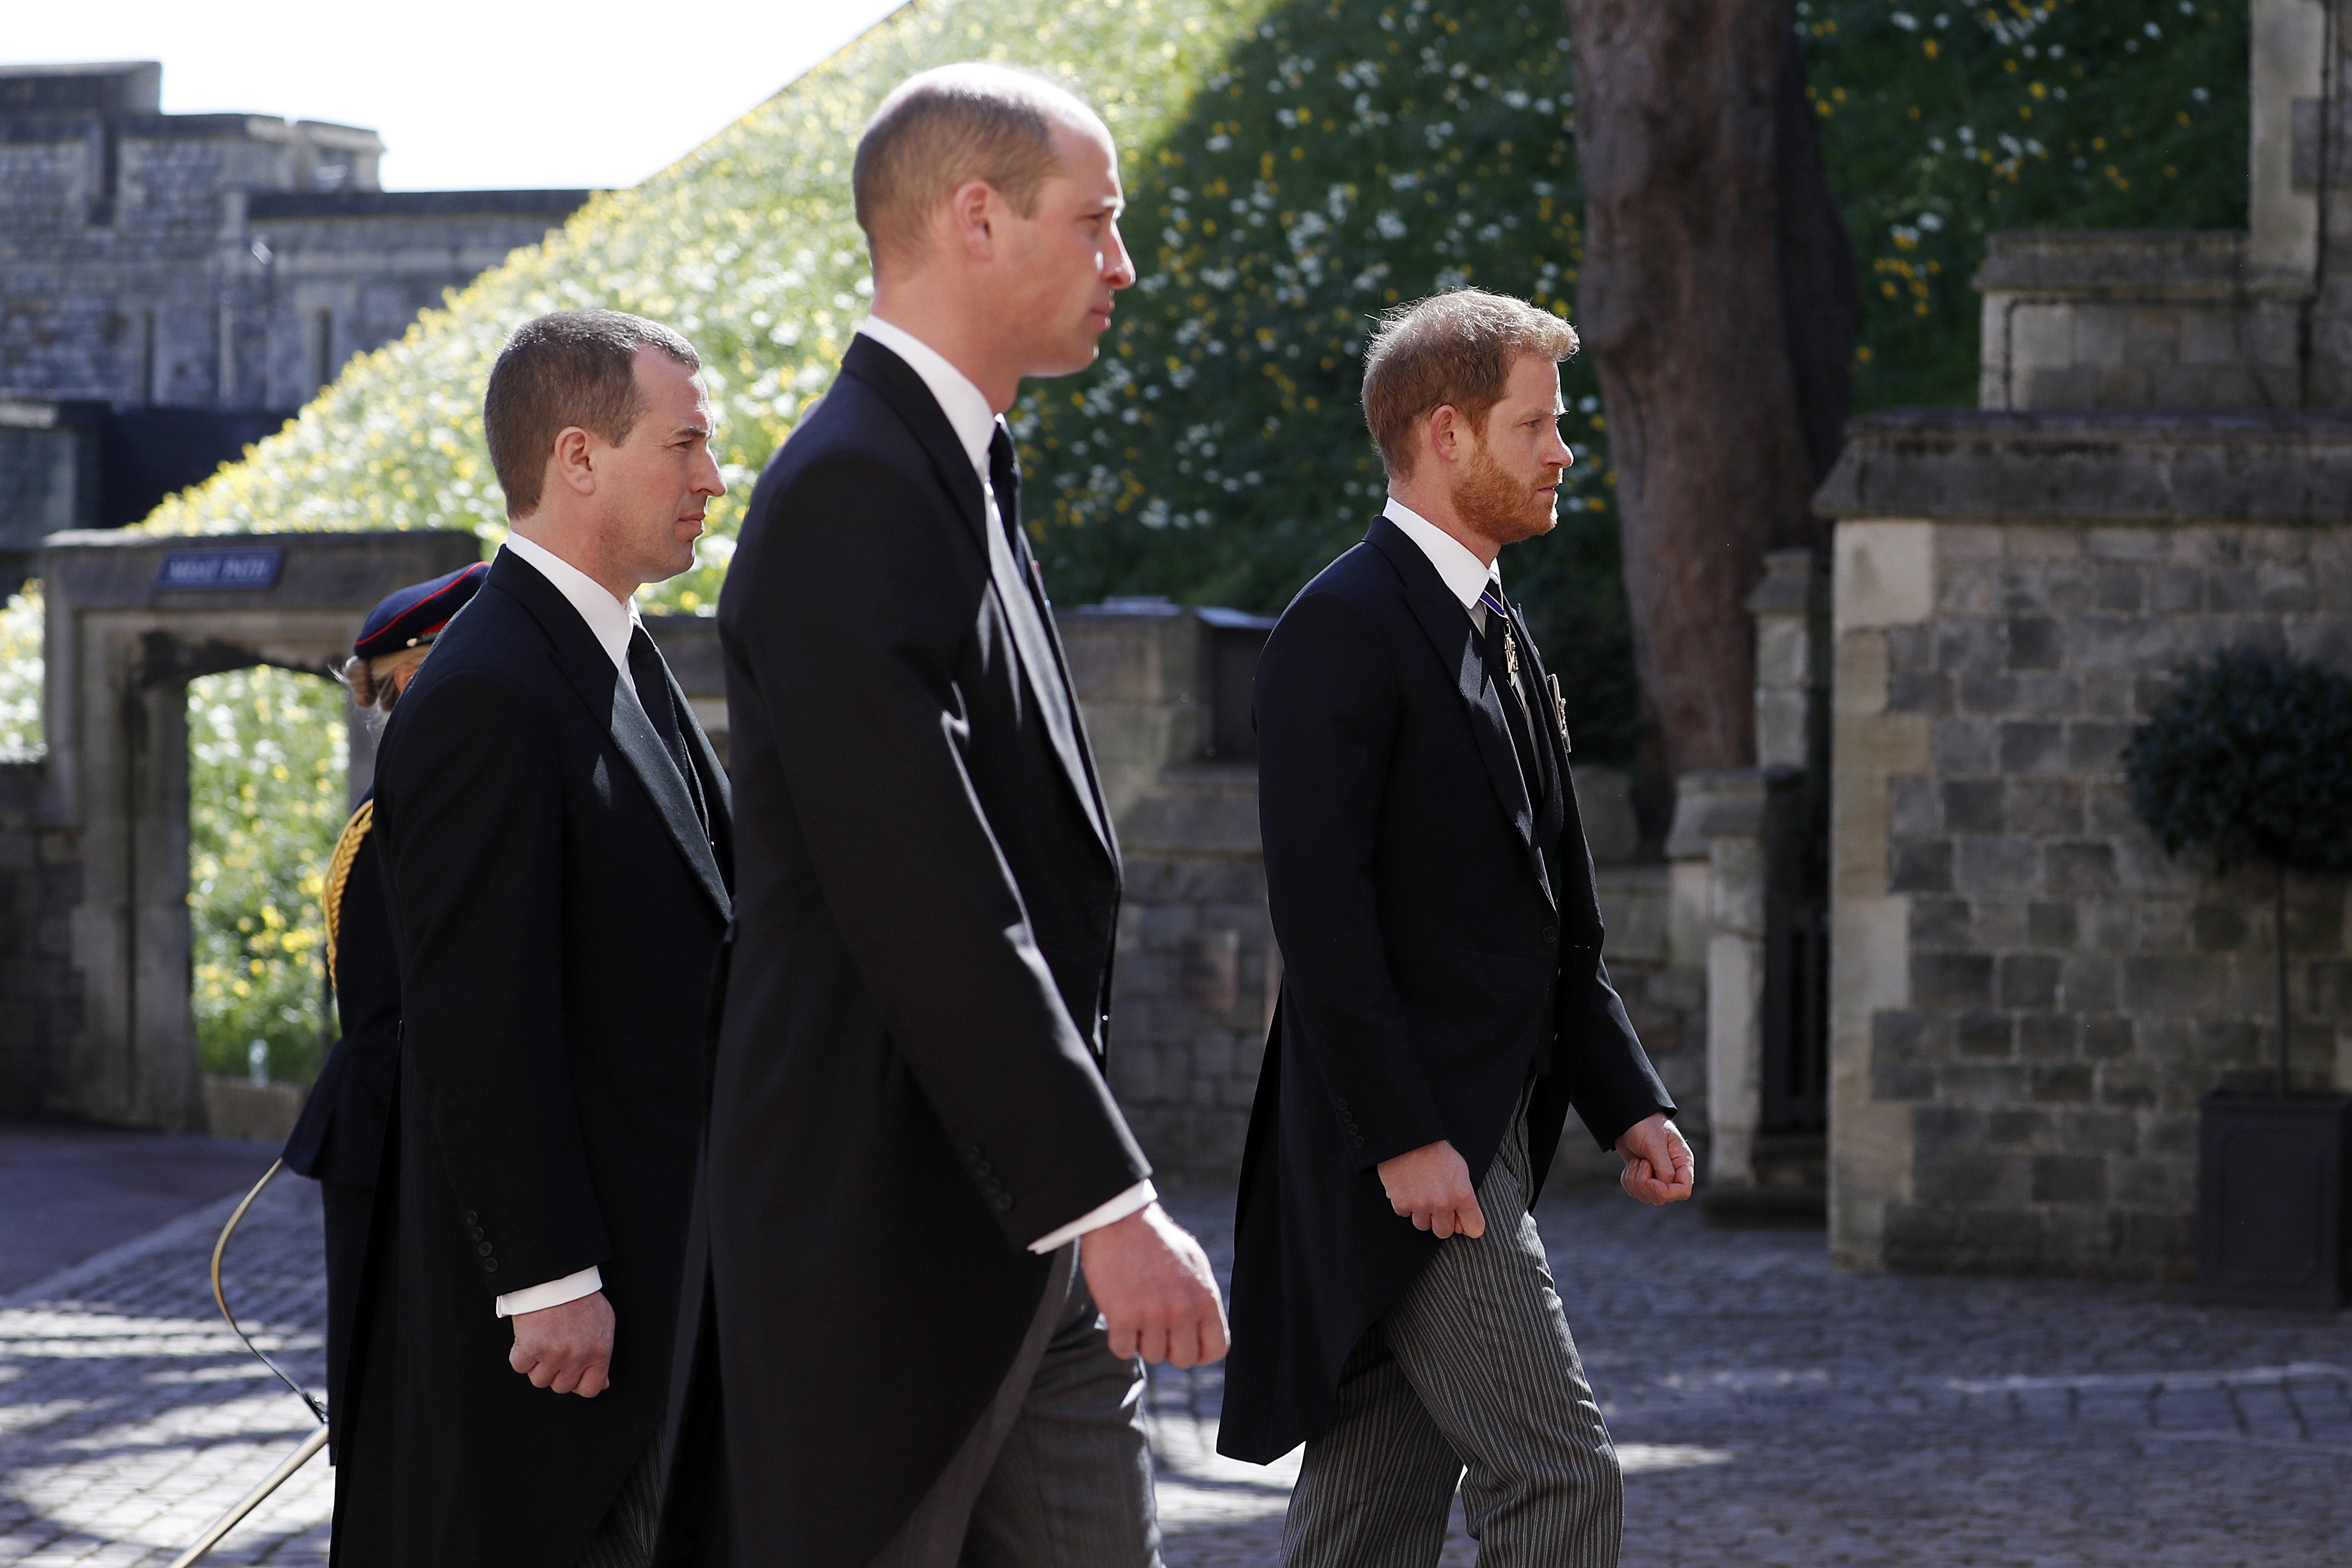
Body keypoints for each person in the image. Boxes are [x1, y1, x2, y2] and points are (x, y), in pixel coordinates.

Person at [658, 63, 1224, 1568]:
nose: (1123, 262)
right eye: (1096, 221)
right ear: (977, 218)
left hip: (1015, 1235)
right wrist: (1107, 1200)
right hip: (884, 1242)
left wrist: (1084, 1202)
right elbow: (927, 885)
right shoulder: (853, 488)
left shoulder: (958, 473)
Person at [1217, 288, 1696, 1568]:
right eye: (1536, 426)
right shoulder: (1340, 627)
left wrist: (1627, 1098)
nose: (1561, 453)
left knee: (1369, 1514)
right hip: (1417, 1148)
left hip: (1474, 1133)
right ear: (1446, 432)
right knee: (1559, 1476)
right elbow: (1323, 918)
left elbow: (1551, 918)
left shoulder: (1498, 627)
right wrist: (1409, 1135)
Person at [335, 309, 734, 1568]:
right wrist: (549, 1277)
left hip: (668, 1272)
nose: (710, 479)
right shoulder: (491, 690)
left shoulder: (608, 647)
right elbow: (476, 1014)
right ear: (578, 456)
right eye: (684, 444)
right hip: (575, 1322)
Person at [281, 559, 489, 1463]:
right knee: (392, 1417)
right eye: (397, 694)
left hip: (399, 1120)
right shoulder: (402, 815)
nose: (400, 711)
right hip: (390, 1129)